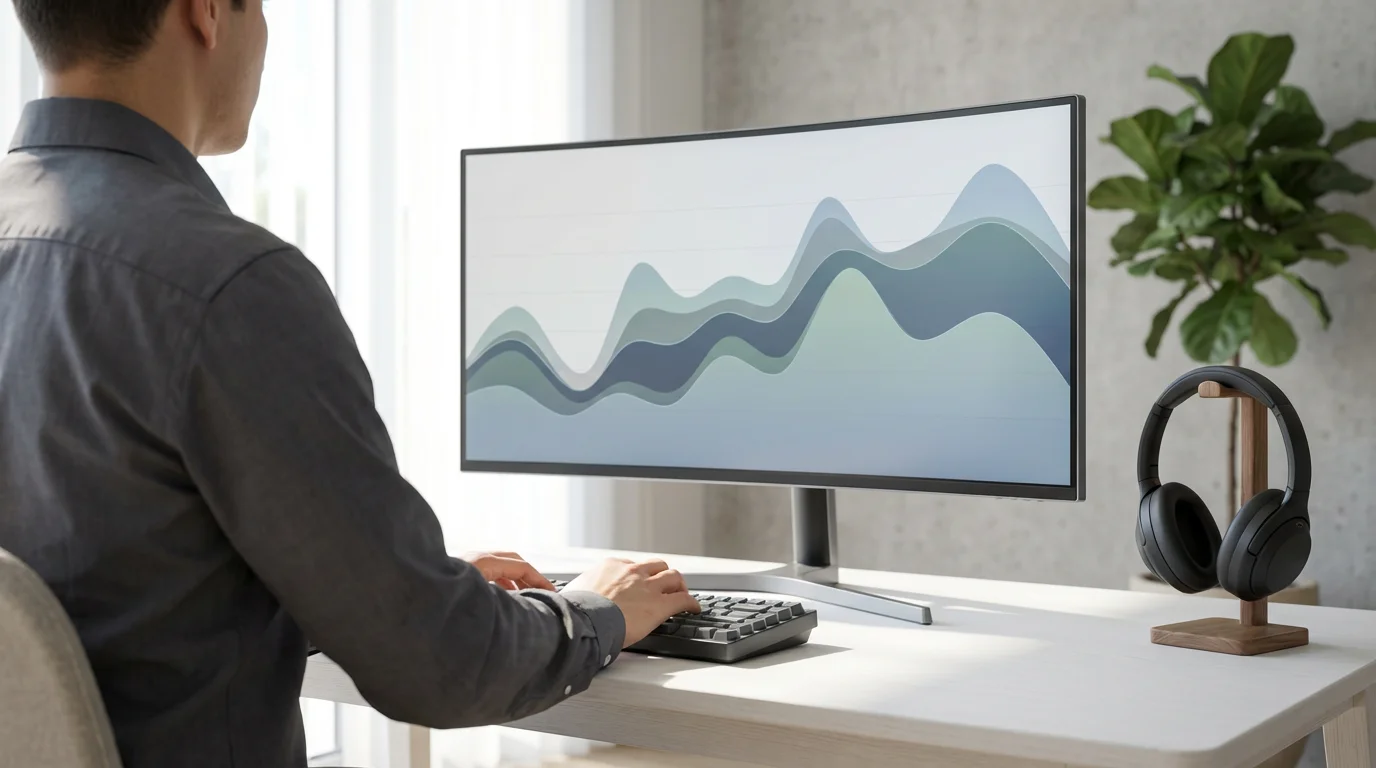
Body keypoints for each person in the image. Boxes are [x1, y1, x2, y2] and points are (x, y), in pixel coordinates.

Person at [0, 0, 701, 766]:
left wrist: (366, 588)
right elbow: (440, 666)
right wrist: (594, 610)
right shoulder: (226, 284)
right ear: (206, 13)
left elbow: (107, 601)